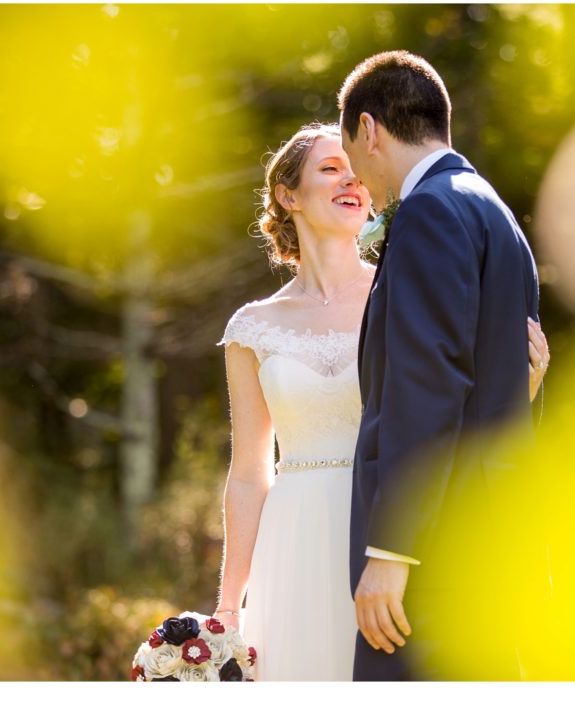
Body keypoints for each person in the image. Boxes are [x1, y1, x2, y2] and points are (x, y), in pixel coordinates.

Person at [212, 122, 550, 681]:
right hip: (294, 543)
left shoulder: (403, 289)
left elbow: (447, 408)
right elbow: (248, 473)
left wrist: (521, 389)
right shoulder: (252, 328)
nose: (352, 180)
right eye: (329, 169)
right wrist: (228, 605)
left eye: (354, 169)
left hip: (390, 525)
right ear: (287, 195)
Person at [338, 51, 550, 681]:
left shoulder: (429, 210)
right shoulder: (492, 209)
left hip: (435, 554)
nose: (359, 183)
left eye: (350, 155)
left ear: (369, 130)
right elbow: (492, 371)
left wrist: (391, 550)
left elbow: (425, 382)